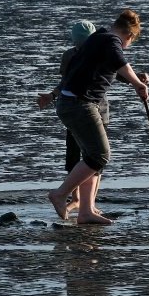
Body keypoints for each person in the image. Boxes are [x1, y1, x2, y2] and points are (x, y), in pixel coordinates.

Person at [46, 9, 149, 225]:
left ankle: (86, 211)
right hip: (79, 103)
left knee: (91, 156)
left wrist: (134, 79)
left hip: (72, 102)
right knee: (100, 156)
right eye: (130, 42)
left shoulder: (99, 37)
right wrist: (138, 84)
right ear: (129, 35)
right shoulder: (112, 41)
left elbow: (111, 68)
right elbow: (119, 61)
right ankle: (60, 194)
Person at [37, 19, 99, 215]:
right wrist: (52, 95)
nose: (82, 47)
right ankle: (77, 199)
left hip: (98, 110)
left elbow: (119, 71)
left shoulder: (102, 53)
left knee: (96, 158)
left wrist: (136, 78)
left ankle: (88, 204)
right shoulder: (70, 56)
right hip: (76, 111)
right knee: (76, 156)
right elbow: (66, 81)